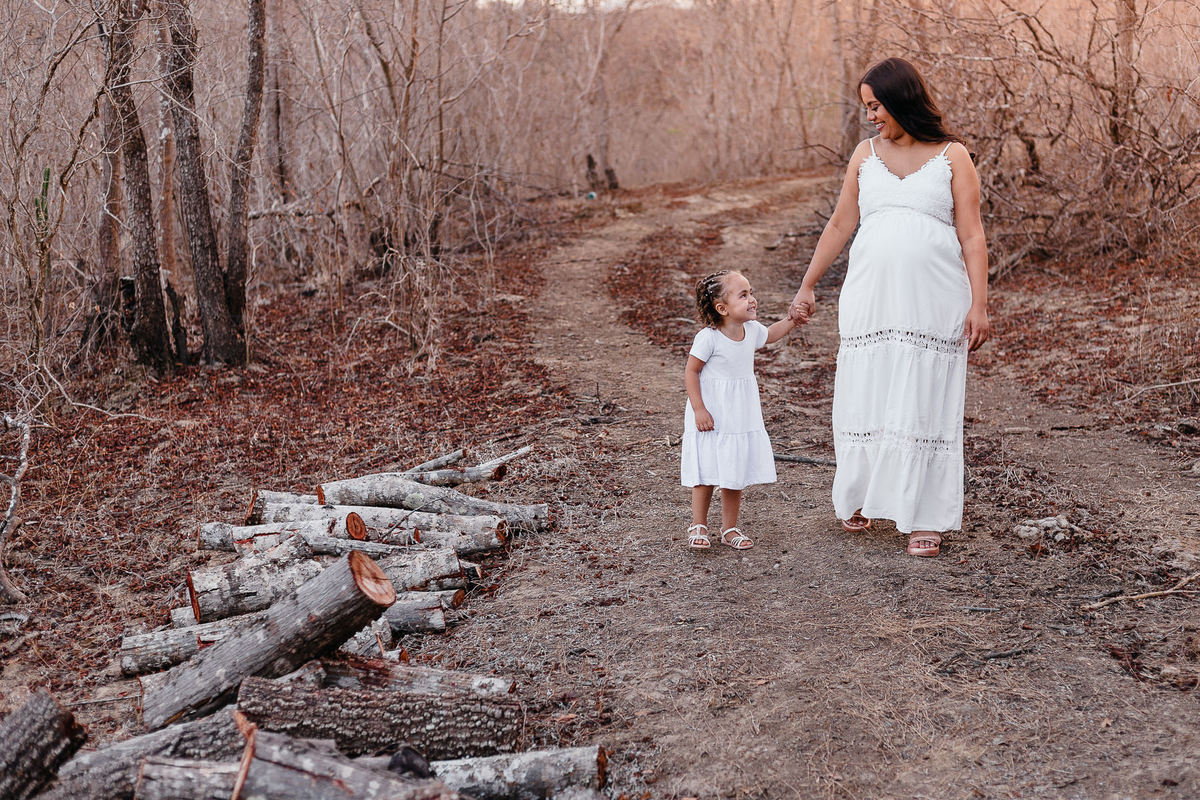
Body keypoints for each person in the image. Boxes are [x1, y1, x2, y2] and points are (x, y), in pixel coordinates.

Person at [788, 57, 991, 558]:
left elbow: (972, 234)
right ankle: (860, 497)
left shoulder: (953, 156)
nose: (871, 116)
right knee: (868, 392)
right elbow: (839, 225)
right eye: (866, 107)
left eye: (876, 106)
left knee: (923, 398)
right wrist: (808, 285)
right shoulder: (865, 154)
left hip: (934, 301)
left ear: (901, 100)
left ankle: (924, 516)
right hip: (870, 300)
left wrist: (980, 305)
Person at [682, 270, 801, 550]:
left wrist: (792, 320)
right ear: (722, 308)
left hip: (739, 412)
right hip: (711, 412)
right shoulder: (708, 338)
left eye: (751, 293)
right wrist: (699, 409)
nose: (752, 300)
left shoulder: (751, 331)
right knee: (707, 470)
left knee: (733, 470)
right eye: (744, 295)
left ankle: (729, 528)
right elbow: (691, 371)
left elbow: (771, 334)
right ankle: (698, 524)